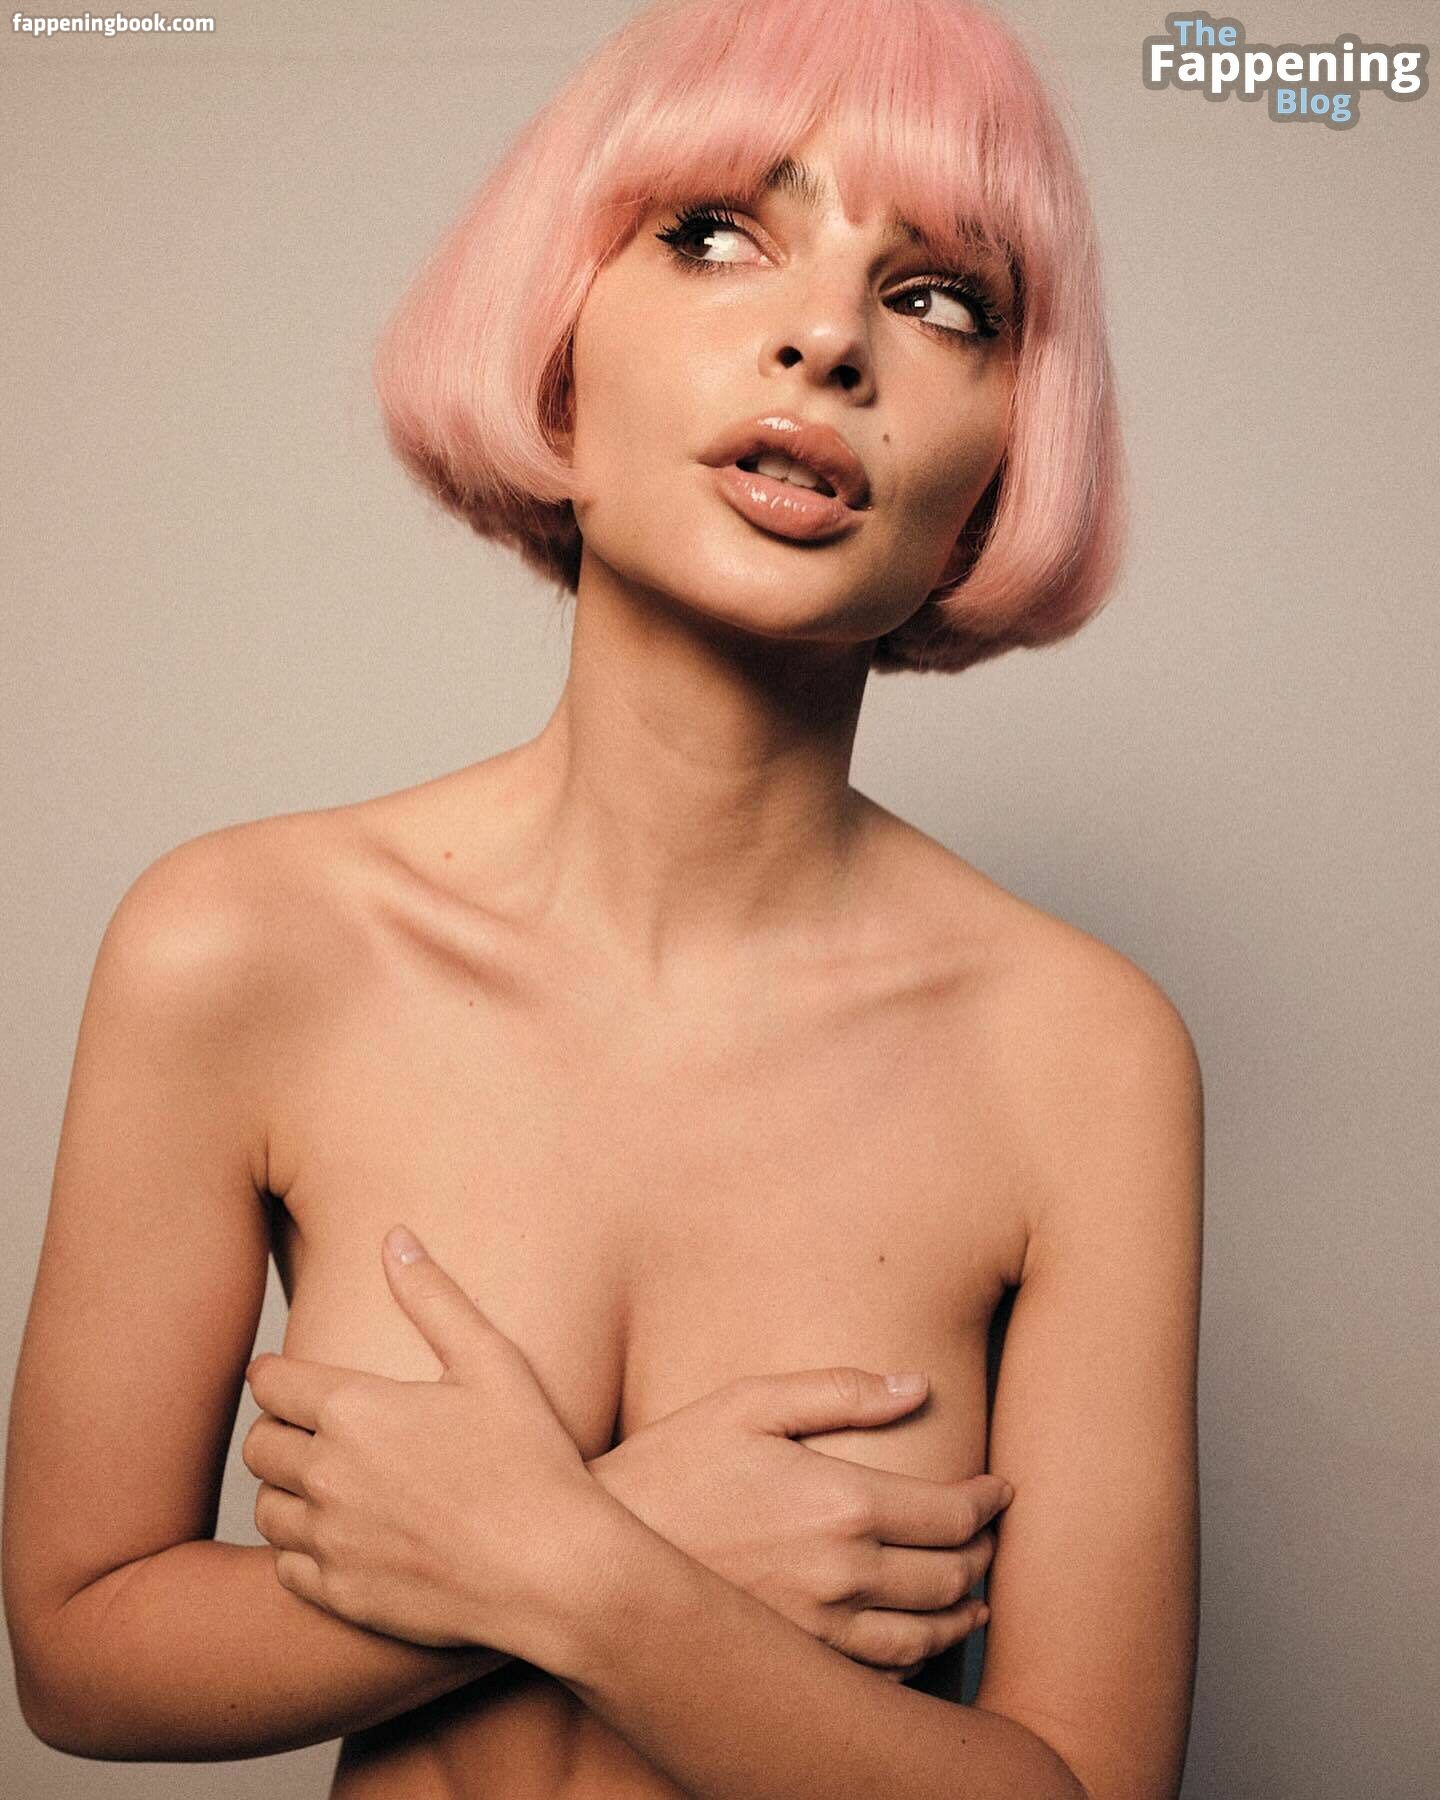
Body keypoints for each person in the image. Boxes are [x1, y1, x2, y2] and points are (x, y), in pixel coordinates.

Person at [4, 0, 1203, 1794]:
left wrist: (586, 1570)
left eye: (940, 298)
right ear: (555, 347)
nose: (826, 338)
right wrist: (635, 1533)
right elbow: (80, 1654)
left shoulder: (1083, 1057)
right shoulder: (239, 948)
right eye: (716, 234)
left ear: (1002, 466)